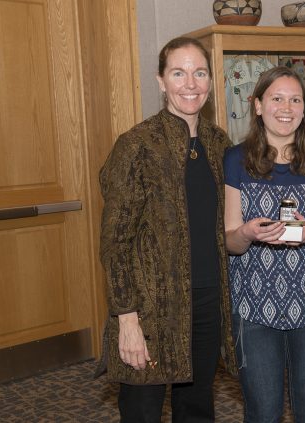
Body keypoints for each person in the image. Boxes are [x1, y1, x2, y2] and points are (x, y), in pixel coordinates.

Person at [96, 36, 237, 422]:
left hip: (207, 303)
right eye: (178, 73)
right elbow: (115, 243)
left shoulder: (219, 142)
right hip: (150, 309)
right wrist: (126, 319)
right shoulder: (136, 145)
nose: (190, 84)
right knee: (142, 411)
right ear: (161, 81)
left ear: (210, 81)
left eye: (199, 73)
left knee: (197, 407)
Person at [223, 66, 305, 423]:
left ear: (304, 109)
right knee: (262, 412)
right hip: (253, 306)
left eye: (295, 100)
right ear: (258, 105)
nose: (286, 108)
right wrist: (246, 233)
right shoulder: (235, 160)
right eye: (277, 98)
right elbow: (230, 241)